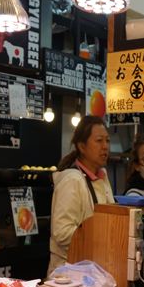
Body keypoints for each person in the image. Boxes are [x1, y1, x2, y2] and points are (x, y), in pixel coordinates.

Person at [49, 116, 114, 274]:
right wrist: (99, 238)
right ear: (82, 146)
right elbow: (62, 233)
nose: (105, 146)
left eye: (107, 140)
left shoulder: (102, 177)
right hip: (68, 275)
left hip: (95, 271)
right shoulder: (72, 180)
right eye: (99, 141)